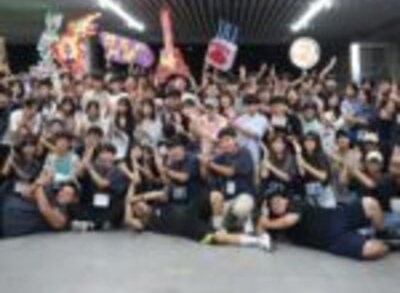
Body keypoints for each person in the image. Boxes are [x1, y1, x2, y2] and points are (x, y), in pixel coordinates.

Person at [257, 185, 391, 260]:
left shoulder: (294, 203)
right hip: (332, 240)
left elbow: (291, 220)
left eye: (279, 199)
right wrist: (263, 216)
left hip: (337, 216)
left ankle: (383, 233)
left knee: (370, 203)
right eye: (273, 204)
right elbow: (261, 235)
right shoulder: (275, 222)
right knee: (372, 251)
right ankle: (388, 244)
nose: (278, 203)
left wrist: (266, 223)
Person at [124, 184, 272, 251]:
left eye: (140, 204)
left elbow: (159, 193)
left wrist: (137, 197)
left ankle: (218, 226)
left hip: (191, 210)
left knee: (216, 196)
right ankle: (259, 241)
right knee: (219, 239)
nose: (139, 207)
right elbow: (128, 220)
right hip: (189, 229)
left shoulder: (158, 203)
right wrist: (128, 203)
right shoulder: (147, 223)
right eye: (136, 209)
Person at [200, 127, 256, 233]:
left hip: (244, 195)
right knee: (215, 197)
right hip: (227, 198)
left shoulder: (244, 153)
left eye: (227, 140)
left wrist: (210, 164)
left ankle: (244, 221)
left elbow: (230, 172)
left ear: (235, 140)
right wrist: (204, 163)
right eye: (222, 142)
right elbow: (204, 176)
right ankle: (217, 229)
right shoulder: (222, 156)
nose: (225, 144)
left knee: (240, 209)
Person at [0, 176, 79, 238]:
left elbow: (45, 209)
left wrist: (40, 184)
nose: (61, 194)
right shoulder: (50, 199)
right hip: (6, 207)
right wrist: (38, 182)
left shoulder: (64, 218)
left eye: (67, 194)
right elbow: (26, 193)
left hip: (10, 226)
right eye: (62, 191)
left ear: (74, 199)